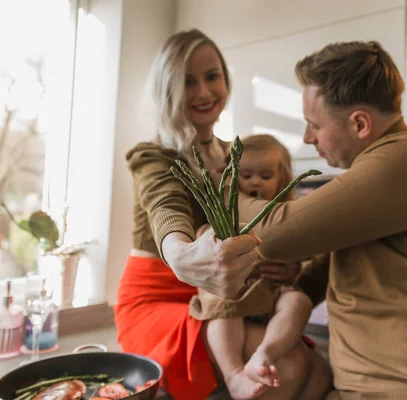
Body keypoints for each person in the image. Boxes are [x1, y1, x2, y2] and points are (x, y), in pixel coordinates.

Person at [233, 41, 407, 399]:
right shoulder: (380, 179)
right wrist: (294, 278)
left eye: (314, 124)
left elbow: (273, 232)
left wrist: (212, 182)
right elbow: (329, 271)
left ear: (360, 123)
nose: (307, 137)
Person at [113, 29, 331, 400]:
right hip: (159, 298)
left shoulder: (241, 156)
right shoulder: (154, 155)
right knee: (289, 365)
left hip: (233, 290)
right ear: (168, 89)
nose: (203, 92)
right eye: (187, 81)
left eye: (212, 76)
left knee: (321, 373)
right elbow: (165, 206)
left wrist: (284, 265)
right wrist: (180, 252)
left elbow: (268, 220)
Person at [189, 134, 323, 399]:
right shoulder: (223, 210)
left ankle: (265, 354)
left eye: (265, 175)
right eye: (246, 175)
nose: (255, 182)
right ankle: (234, 374)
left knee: (299, 301)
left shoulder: (288, 213)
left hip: (272, 293)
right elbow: (202, 235)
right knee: (223, 309)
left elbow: (305, 249)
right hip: (234, 293)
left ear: (282, 179)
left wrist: (293, 267)